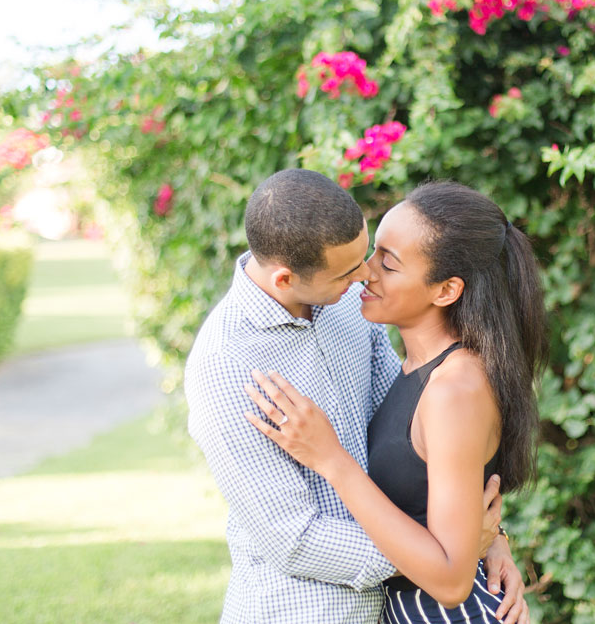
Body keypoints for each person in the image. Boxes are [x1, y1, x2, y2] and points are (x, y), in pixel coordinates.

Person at [184, 170, 529, 624]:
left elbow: (415, 432)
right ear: (286, 279)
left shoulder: (346, 302)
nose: (365, 274)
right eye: (350, 270)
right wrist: (449, 553)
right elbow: (294, 539)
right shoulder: (225, 364)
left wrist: (481, 537)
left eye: (373, 258)